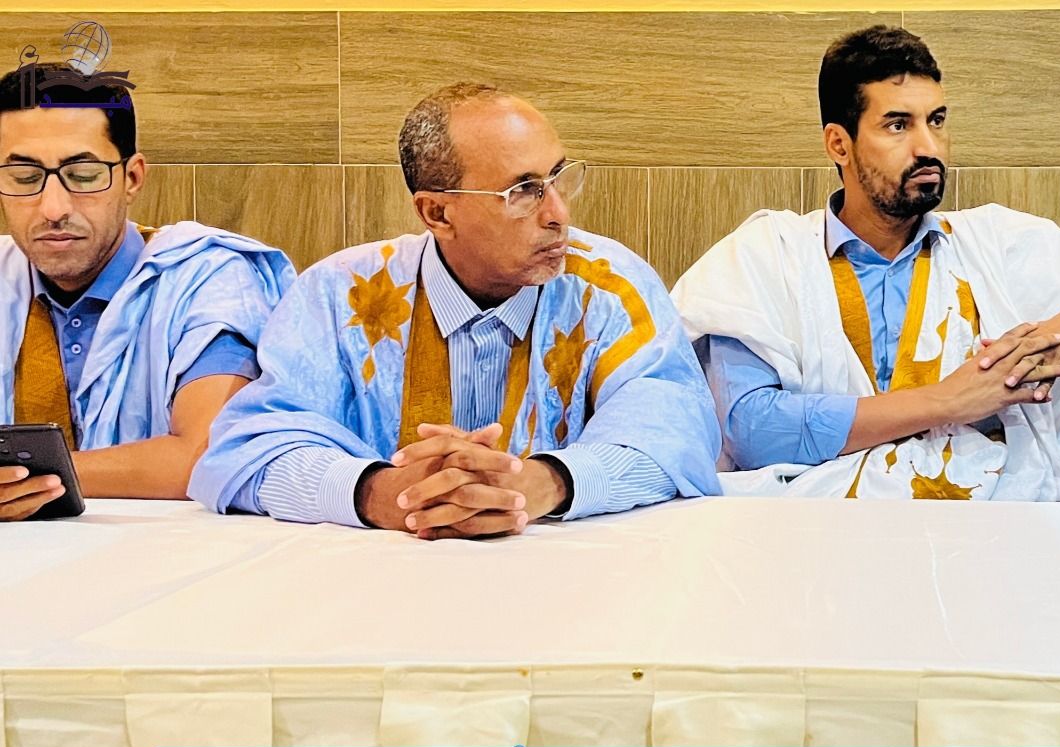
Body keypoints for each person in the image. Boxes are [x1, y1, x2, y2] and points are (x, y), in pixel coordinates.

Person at [191, 83, 719, 538]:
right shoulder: (339, 293)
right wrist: (378, 494)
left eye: (559, 178)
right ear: (437, 213)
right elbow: (244, 452)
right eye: (525, 191)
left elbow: (676, 431)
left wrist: (547, 482)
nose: (559, 213)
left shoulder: (609, 287)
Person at [673, 26, 1060, 500]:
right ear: (839, 144)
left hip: (991, 525)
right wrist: (948, 400)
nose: (928, 148)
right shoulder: (765, 255)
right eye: (898, 125)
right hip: (811, 527)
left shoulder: (994, 243)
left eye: (936, 121)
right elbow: (751, 429)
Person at [0, 62, 293, 521]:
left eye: (84, 175)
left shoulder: (206, 279)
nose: (53, 208)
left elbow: (206, 455)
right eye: (23, 178)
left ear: (132, 178)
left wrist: (24, 479)